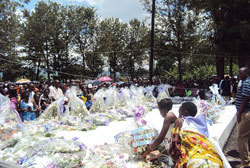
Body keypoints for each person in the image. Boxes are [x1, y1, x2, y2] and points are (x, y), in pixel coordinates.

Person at [169, 102, 223, 168]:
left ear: (185, 112)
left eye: (179, 112)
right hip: (214, 159)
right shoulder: (202, 124)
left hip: (196, 161)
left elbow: (175, 146)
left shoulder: (180, 121)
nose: (178, 115)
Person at [235, 67, 250, 167]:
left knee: (241, 137)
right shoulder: (244, 82)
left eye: (241, 73)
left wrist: (239, 112)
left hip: (245, 112)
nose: (239, 74)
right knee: (246, 137)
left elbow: (246, 98)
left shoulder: (247, 83)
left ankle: (245, 162)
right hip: (245, 112)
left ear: (246, 73)